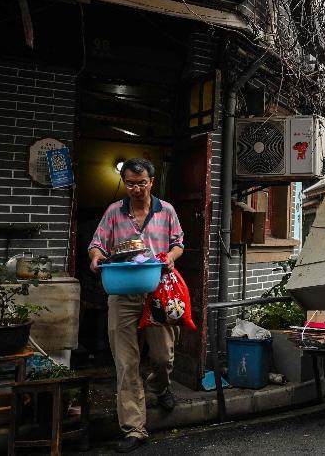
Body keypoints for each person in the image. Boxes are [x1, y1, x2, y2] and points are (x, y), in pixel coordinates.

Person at [88, 158, 184, 453]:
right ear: (125, 182)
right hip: (122, 293)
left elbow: (179, 242)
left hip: (157, 292)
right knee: (126, 363)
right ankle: (134, 429)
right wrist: (94, 257)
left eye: (141, 183)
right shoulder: (114, 212)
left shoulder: (166, 210)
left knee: (163, 356)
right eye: (130, 183)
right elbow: (97, 244)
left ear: (151, 182)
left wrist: (170, 257)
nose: (136, 188)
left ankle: (160, 385)